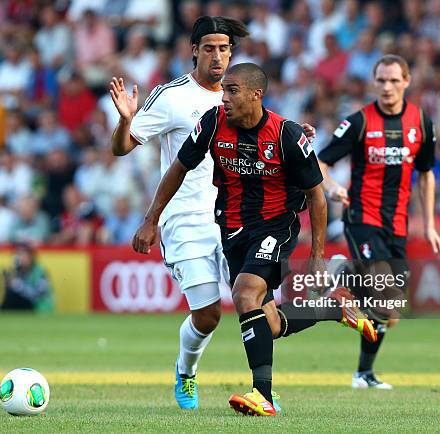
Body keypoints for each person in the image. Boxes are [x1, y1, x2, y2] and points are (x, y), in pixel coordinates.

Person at [133, 63, 376, 417]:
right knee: (269, 322)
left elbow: (317, 197)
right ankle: (332, 308)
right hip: (231, 229)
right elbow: (179, 168)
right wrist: (151, 218)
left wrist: (318, 255)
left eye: (232, 90)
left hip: (276, 226)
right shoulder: (214, 122)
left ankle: (264, 394)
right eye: (223, 91)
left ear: (255, 95)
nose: (224, 97)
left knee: (244, 293)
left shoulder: (286, 135)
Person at [110, 16, 317, 410]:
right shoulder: (172, 96)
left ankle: (265, 384)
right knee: (207, 316)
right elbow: (123, 147)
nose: (218, 56)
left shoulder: (241, 91)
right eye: (209, 48)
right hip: (186, 219)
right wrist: (125, 121)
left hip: (240, 218)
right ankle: (187, 372)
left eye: (224, 48)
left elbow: (268, 137)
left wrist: (295, 137)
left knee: (263, 313)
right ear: (194, 50)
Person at [318, 54, 440, 390]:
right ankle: (344, 275)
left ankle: (363, 373)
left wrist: (429, 224)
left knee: (388, 311)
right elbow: (321, 162)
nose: (387, 87)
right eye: (381, 80)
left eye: (394, 80)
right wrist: (331, 188)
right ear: (375, 83)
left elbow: (426, 174)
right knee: (384, 291)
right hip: (362, 217)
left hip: (398, 223)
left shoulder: (421, 122)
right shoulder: (359, 122)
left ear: (407, 82)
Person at [0, 243, 54, 313]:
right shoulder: (18, 272)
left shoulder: (40, 272)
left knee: (12, 294)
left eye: (22, 255)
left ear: (30, 256)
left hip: (39, 308)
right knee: (10, 293)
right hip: (26, 306)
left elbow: (38, 296)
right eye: (17, 255)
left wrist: (17, 284)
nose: (19, 258)